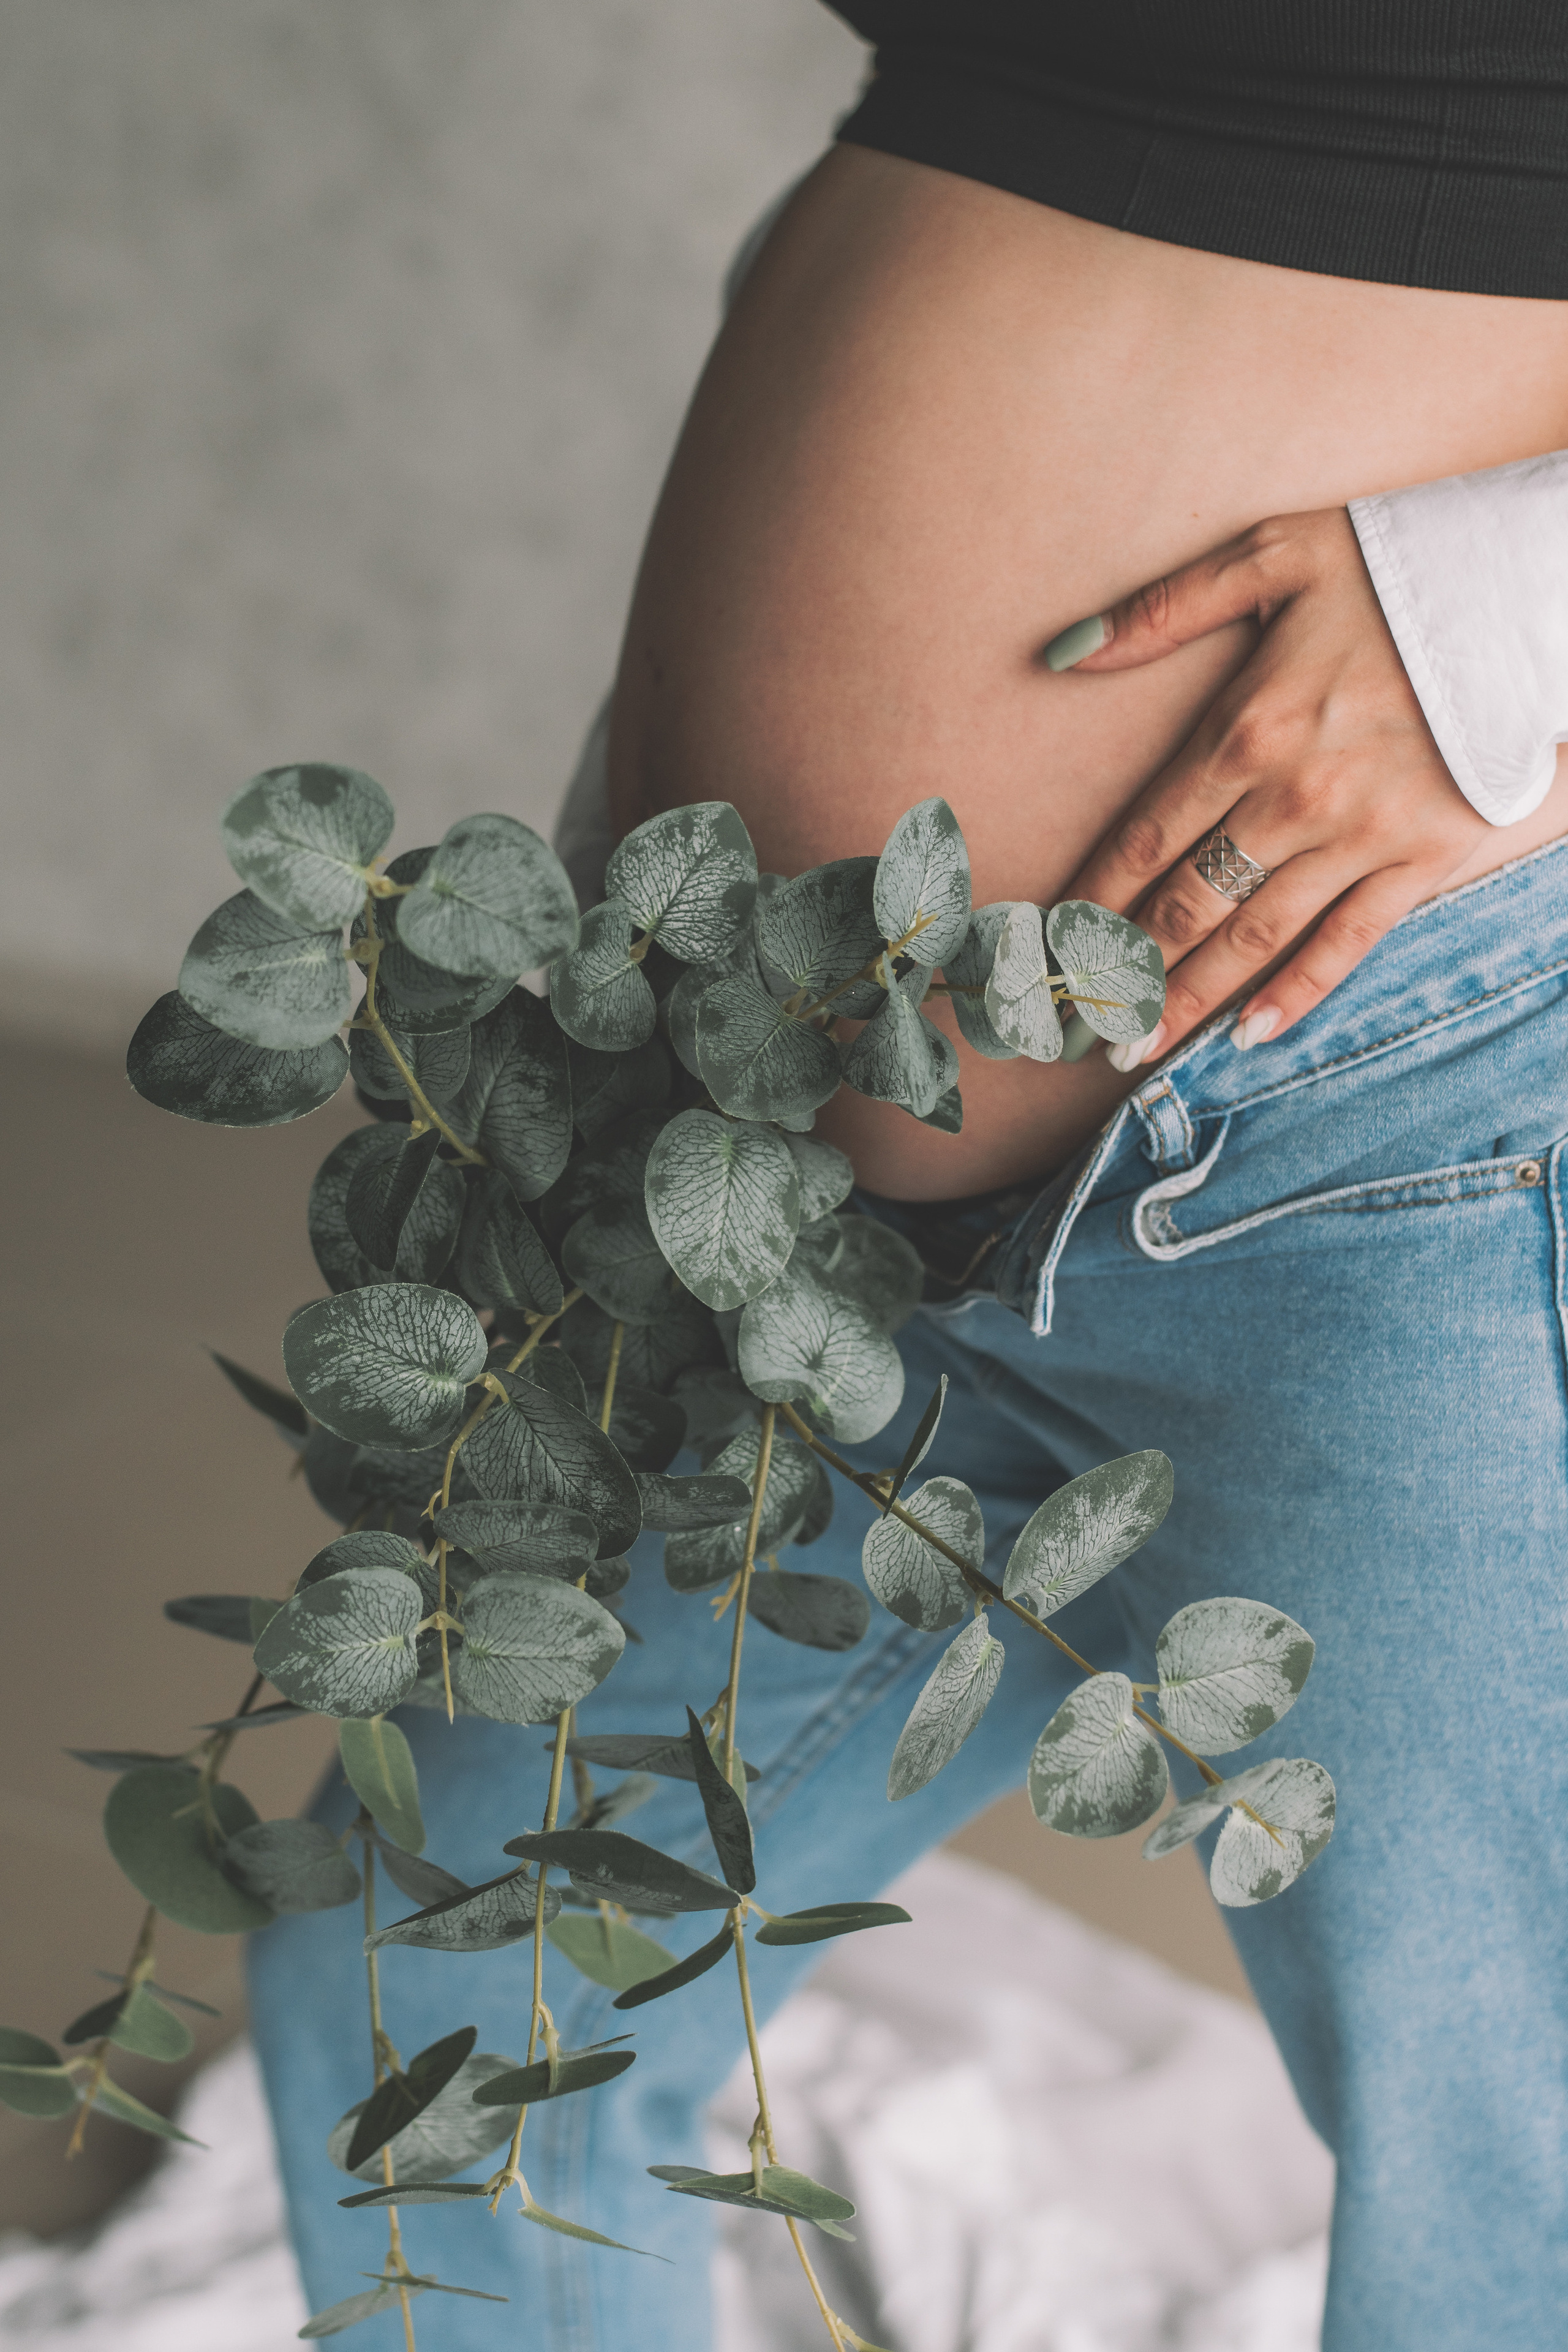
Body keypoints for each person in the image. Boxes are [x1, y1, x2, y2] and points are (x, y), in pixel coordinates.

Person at [251, 12, 1568, 2346]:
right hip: (778, 1183)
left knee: (1512, 2198)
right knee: (442, 1968)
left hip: (1405, 1120)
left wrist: (1522, 618)